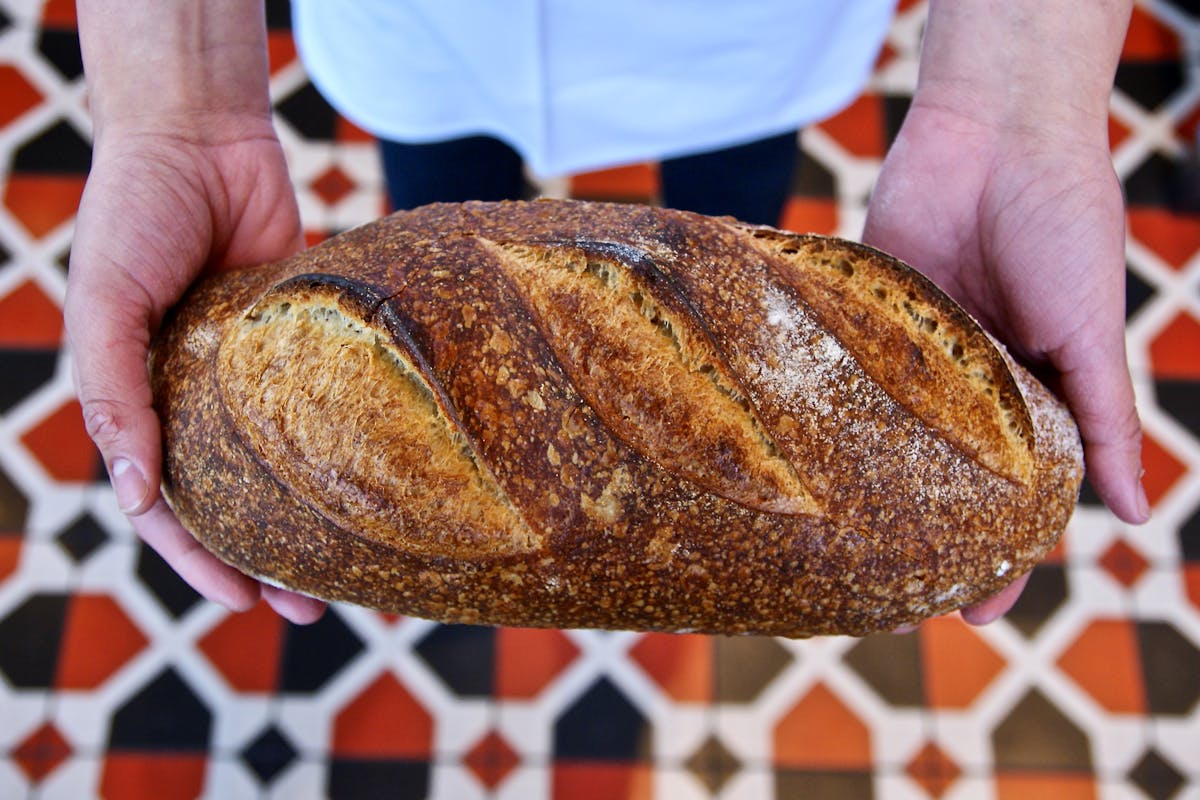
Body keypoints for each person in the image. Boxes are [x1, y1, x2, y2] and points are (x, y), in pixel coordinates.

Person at [66, 0, 1147, 627]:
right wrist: (176, 96)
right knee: (443, 260)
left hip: (751, 34)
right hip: (421, 25)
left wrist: (1023, 97)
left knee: (738, 268)